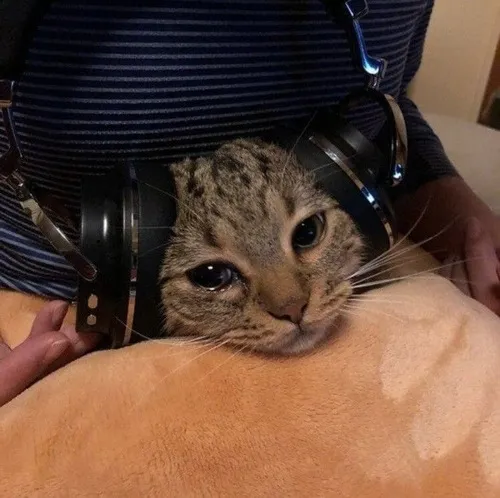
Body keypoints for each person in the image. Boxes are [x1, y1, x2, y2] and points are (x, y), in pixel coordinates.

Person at [0, 0, 499, 407]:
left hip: (361, 288)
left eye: (306, 233)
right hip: (61, 322)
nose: (290, 304)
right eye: (212, 272)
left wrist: (457, 208)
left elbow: (387, 105)